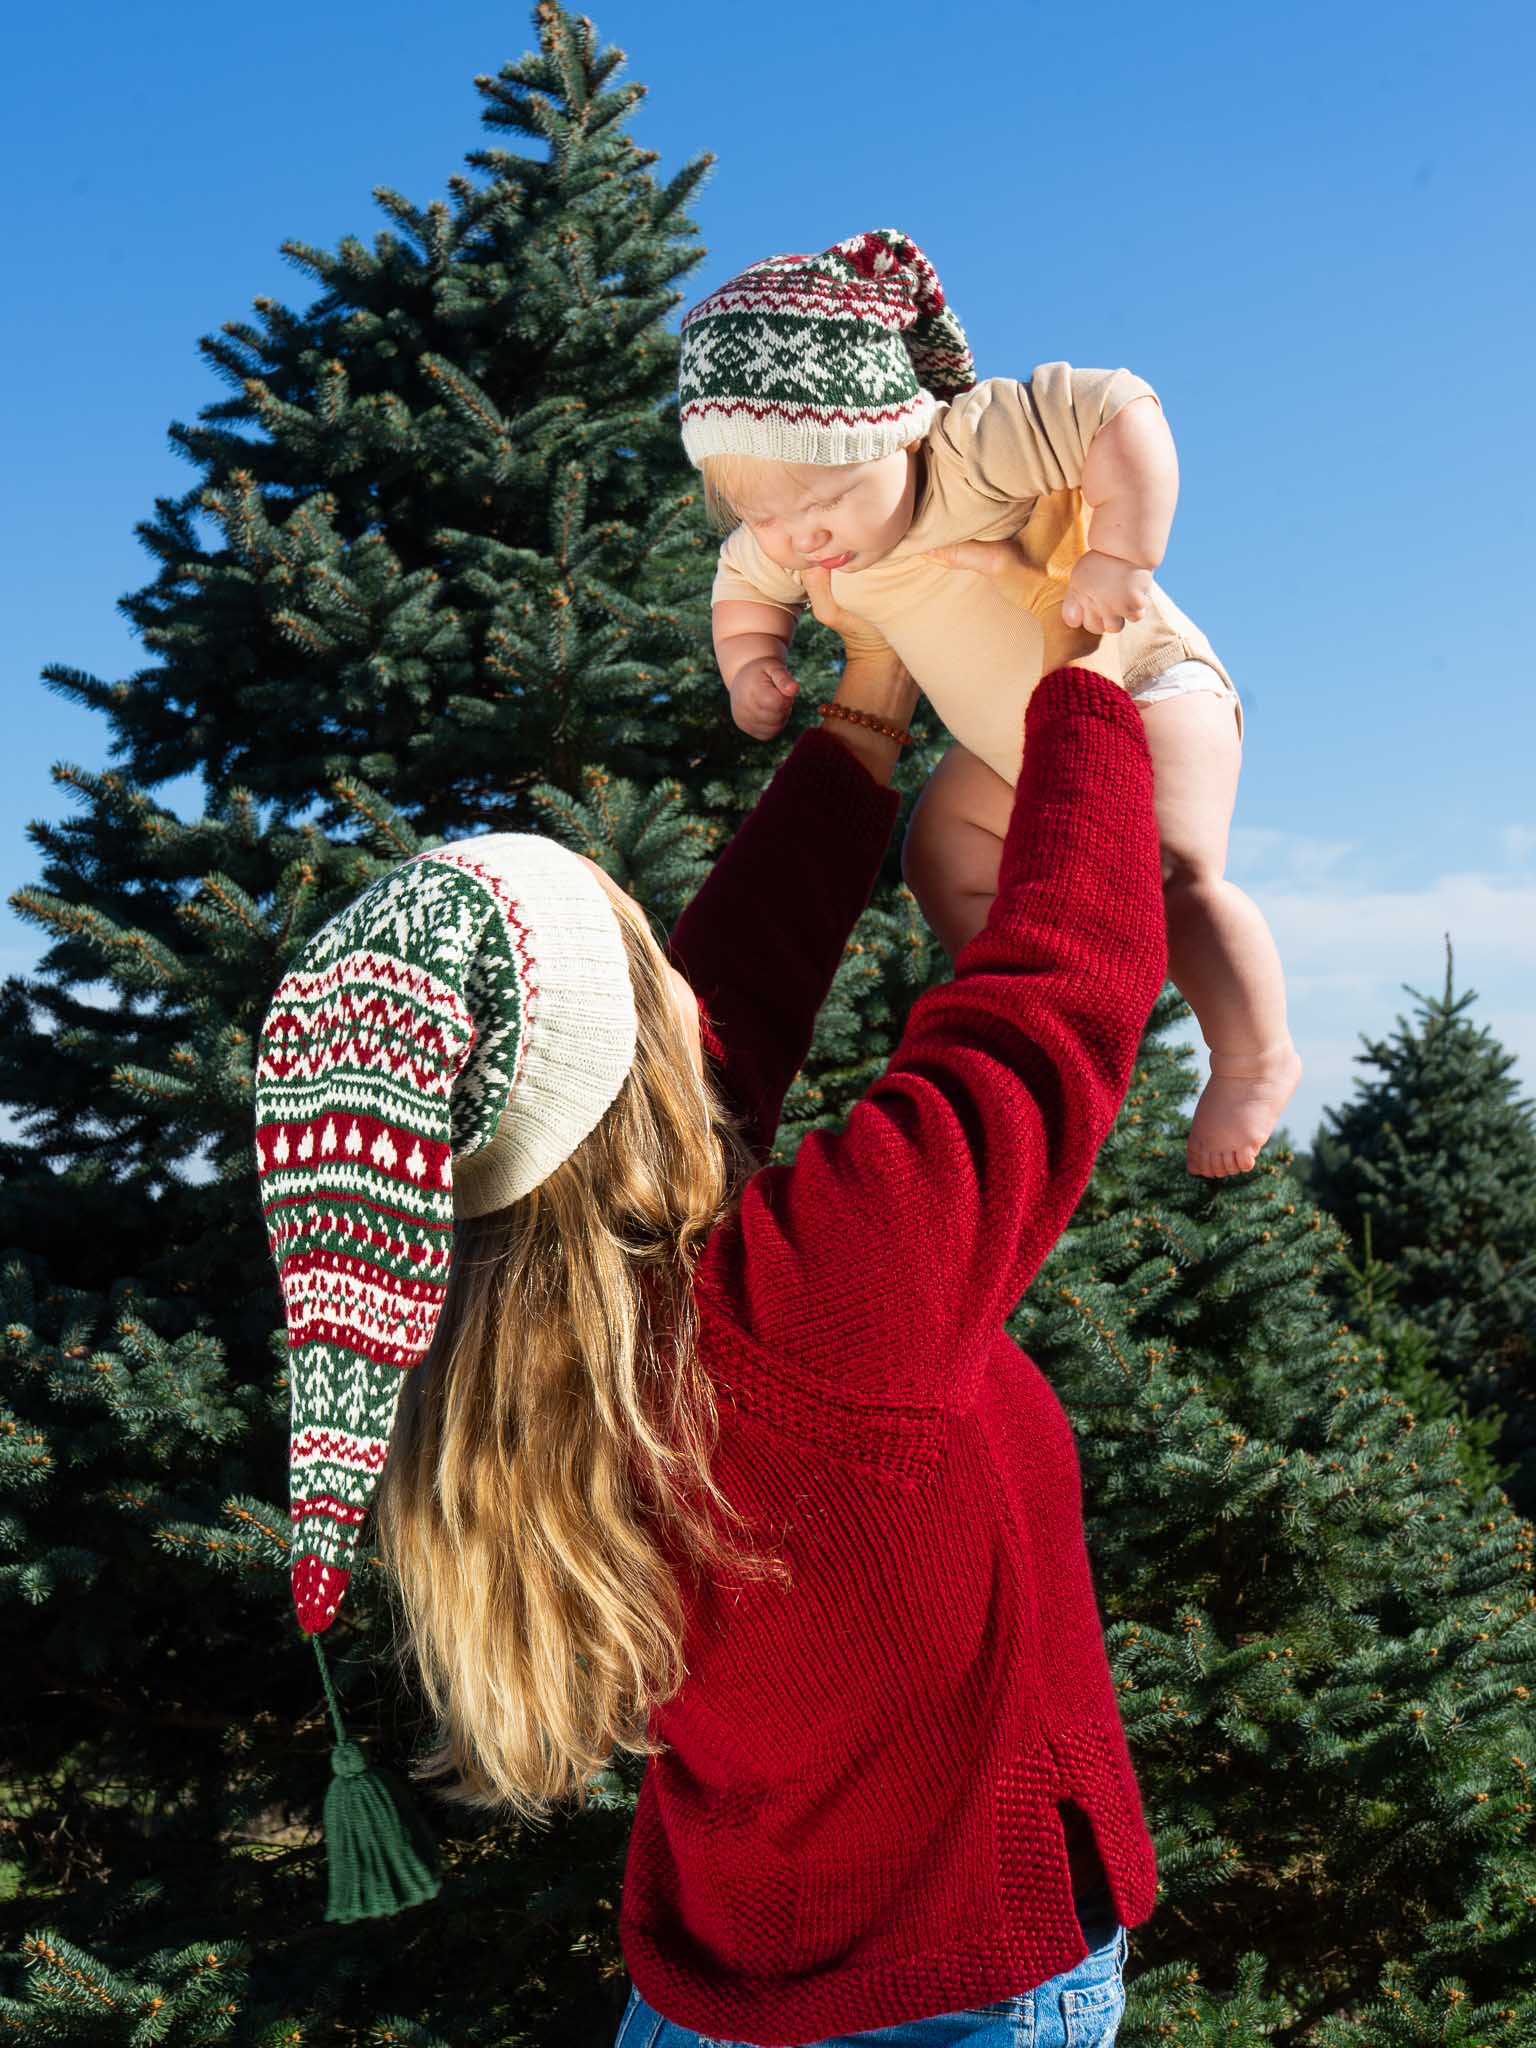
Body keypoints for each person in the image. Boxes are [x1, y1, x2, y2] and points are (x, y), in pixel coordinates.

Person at [252, 546, 1163, 2044]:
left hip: (716, 1991)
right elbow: (1049, 1014)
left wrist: (869, 708)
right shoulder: (810, 1313)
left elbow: (687, 1048)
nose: (687, 970)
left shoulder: (501, 1332)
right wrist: (1083, 698)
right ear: (635, 1044)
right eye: (642, 945)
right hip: (960, 2000)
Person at [681, 225, 1300, 1179]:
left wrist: (1118, 554)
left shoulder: (970, 445)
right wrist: (749, 660)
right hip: (1016, 744)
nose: (801, 538)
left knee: (1167, 862)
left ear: (890, 427)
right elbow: (742, 585)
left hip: (1143, 684)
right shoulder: (797, 535)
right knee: (939, 855)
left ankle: (1255, 1056)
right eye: (766, 514)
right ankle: (1045, 1005)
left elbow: (1117, 407)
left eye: (824, 501)